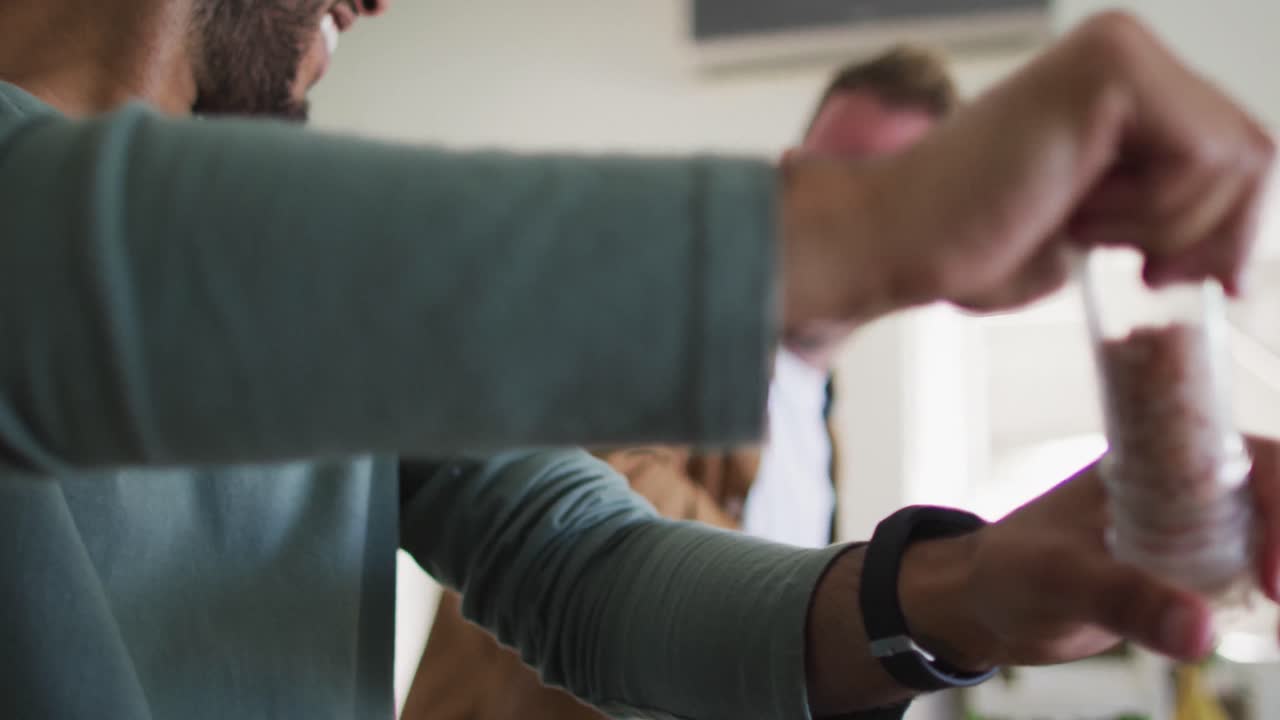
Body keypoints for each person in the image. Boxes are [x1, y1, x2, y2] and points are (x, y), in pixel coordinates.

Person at [0, 2, 1275, 720]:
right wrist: (871, 223)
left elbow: (578, 566)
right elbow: (64, 263)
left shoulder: (307, 272)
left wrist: (966, 589)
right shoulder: (112, 240)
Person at [402, 45, 959, 720]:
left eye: (891, 193)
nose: (852, 213)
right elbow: (597, 503)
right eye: (837, 175)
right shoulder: (673, 310)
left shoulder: (823, 423)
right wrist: (880, 600)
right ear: (789, 175)